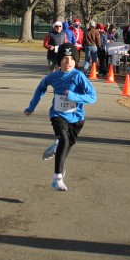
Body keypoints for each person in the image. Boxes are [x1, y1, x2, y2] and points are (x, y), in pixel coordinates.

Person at [24, 42, 97, 191]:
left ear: (76, 61)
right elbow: (41, 88)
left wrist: (74, 96)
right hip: (58, 114)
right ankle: (57, 178)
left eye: (71, 58)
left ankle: (57, 151)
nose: (68, 61)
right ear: (59, 61)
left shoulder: (79, 76)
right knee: (64, 139)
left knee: (67, 145)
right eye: (64, 58)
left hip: (77, 118)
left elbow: (92, 97)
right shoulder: (53, 76)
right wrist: (31, 107)